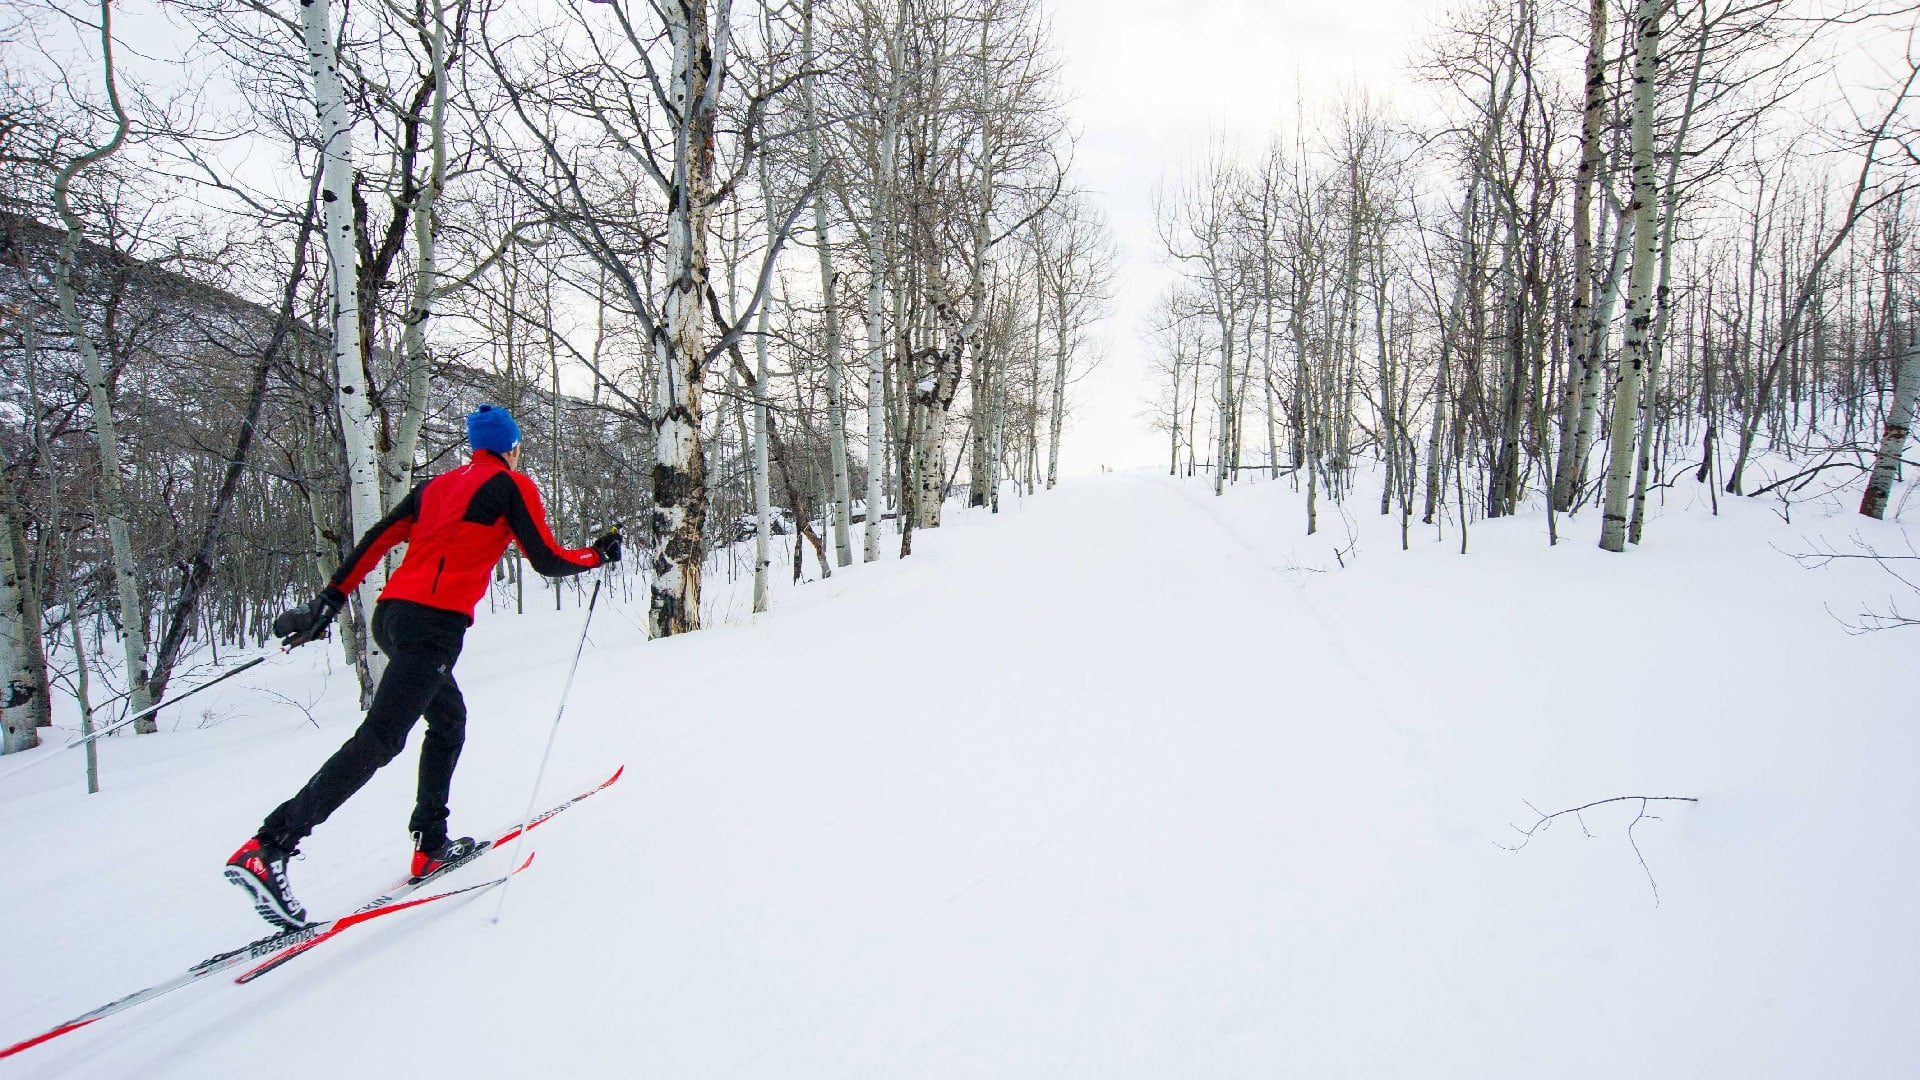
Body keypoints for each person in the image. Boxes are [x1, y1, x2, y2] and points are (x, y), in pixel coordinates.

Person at [225, 404, 621, 928]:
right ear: (510, 446)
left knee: (448, 720)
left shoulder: (436, 488)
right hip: (433, 625)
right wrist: (597, 555)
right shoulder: (511, 485)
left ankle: (430, 843)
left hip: (391, 617)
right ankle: (271, 844)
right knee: (382, 739)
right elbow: (545, 559)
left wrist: (330, 600)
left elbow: (375, 540)